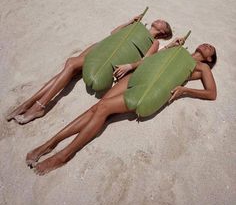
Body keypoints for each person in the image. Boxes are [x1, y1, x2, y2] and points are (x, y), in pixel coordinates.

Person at [26, 43, 217, 175]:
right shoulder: (178, 50)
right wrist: (131, 66)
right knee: (96, 108)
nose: (207, 45)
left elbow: (211, 93)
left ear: (209, 59)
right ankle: (50, 143)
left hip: (148, 88)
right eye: (207, 43)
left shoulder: (201, 67)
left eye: (211, 49)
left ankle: (64, 155)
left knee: (103, 108)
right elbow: (150, 61)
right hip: (136, 76)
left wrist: (184, 89)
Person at [6, 14, 175, 124]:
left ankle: (39, 106)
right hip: (101, 48)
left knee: (71, 64)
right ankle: (29, 104)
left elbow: (145, 61)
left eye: (163, 23)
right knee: (69, 68)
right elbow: (113, 33)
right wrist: (130, 22)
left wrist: (129, 66)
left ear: (162, 31)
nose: (160, 20)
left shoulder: (155, 43)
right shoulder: (138, 26)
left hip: (113, 61)